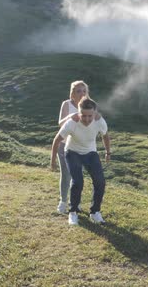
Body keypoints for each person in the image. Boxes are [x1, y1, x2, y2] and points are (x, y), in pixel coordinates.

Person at [51, 97, 111, 225]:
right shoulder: (71, 123)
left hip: (90, 153)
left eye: (90, 116)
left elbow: (105, 135)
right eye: (83, 115)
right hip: (72, 153)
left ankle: (95, 212)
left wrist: (107, 152)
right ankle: (73, 212)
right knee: (78, 181)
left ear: (95, 113)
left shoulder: (100, 121)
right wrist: (53, 161)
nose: (87, 119)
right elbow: (57, 140)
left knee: (100, 182)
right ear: (79, 113)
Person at [56, 81, 100, 214]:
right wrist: (72, 116)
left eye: (84, 91)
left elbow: (97, 121)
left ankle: (74, 203)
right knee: (66, 175)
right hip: (64, 145)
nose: (81, 93)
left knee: (77, 177)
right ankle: (63, 202)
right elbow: (60, 123)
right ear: (72, 93)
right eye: (78, 91)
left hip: (81, 148)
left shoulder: (90, 106)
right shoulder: (66, 104)